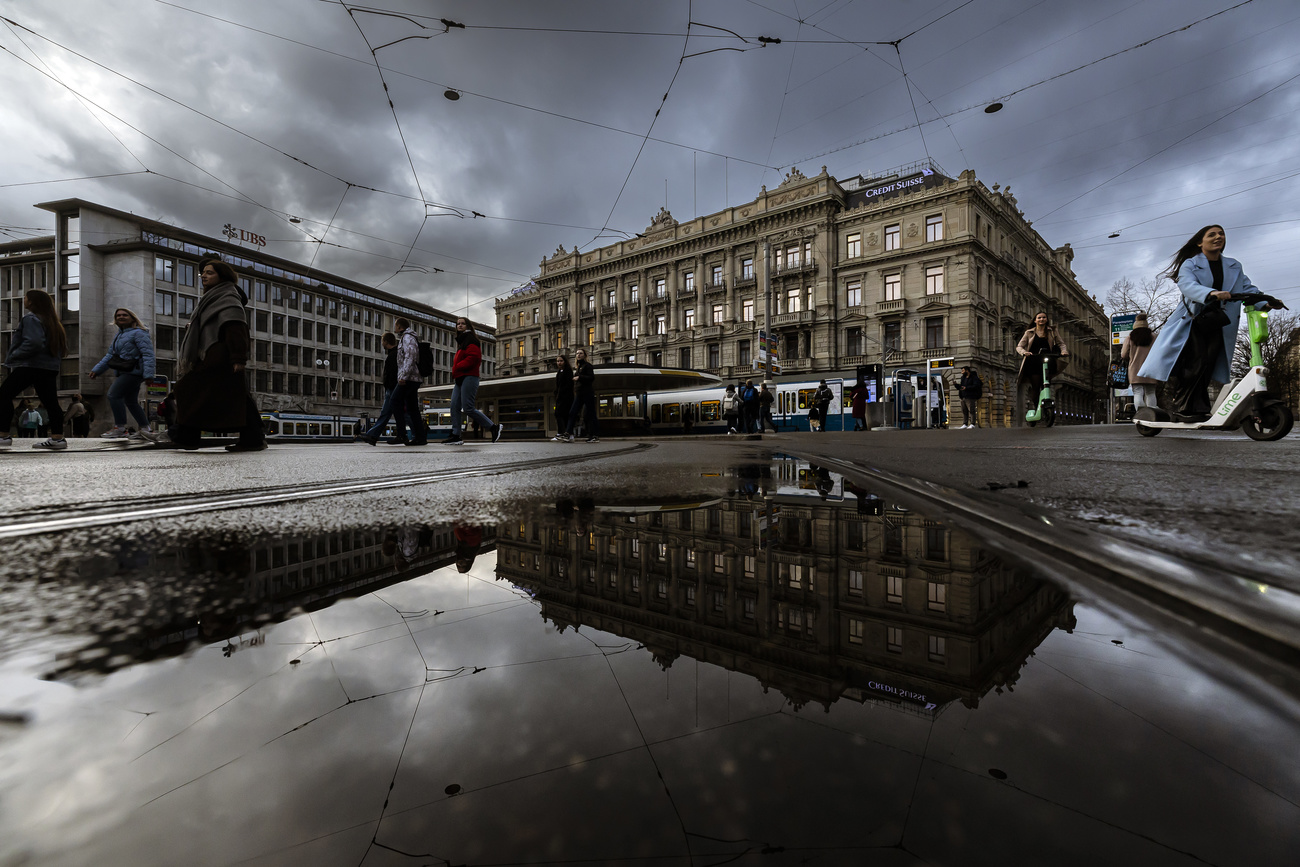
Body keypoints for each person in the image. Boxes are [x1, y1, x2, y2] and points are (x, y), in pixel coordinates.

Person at [1138, 225, 1277, 421]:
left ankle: (1199, 407)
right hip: (1193, 321)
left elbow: (1247, 287)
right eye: (1212, 234)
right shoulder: (1191, 264)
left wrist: (1266, 301)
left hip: (1218, 321)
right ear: (1199, 242)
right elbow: (1187, 285)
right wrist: (1210, 293)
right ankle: (1184, 406)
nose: (1218, 237)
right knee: (1197, 362)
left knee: (1209, 363)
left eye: (1221, 234)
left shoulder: (1233, 265)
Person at [171, 257, 266, 452]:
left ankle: (187, 437)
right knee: (236, 397)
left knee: (188, 389)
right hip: (211, 355)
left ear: (222, 276)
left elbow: (236, 327)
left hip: (220, 356)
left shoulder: (227, 297)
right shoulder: (212, 297)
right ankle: (253, 438)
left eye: (209, 272)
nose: (204, 276)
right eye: (203, 273)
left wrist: (238, 358)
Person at [0, 289, 69, 450]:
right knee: (50, 402)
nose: (24, 300)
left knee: (4, 395)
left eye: (25, 298)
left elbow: (34, 342)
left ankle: (3, 436)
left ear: (31, 302)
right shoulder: (52, 321)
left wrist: (15, 355)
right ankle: (58, 439)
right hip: (49, 367)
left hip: (31, 365)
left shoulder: (31, 318)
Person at [90, 307, 157, 441]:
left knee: (113, 395)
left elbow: (148, 354)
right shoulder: (119, 335)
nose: (121, 317)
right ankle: (145, 429)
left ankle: (120, 428)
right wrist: (97, 369)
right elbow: (110, 355)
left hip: (134, 372)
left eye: (124, 315)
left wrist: (149, 375)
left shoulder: (139, 333)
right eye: (118, 315)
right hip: (124, 371)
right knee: (131, 401)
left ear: (132, 318)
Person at [445, 316, 502, 445]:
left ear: (468, 326)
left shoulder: (471, 340)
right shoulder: (462, 341)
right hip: (460, 378)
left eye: (462, 324)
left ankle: (493, 427)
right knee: (454, 406)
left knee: (468, 408)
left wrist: (458, 366)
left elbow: (474, 358)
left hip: (469, 376)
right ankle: (456, 435)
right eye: (458, 324)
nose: (459, 325)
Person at [1015, 312, 1070, 423]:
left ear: (1046, 319)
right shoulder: (1029, 332)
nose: (1041, 319)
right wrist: (1024, 352)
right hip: (1033, 361)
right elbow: (1019, 346)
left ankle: (1046, 404)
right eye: (1039, 318)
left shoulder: (1052, 331)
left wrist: (1064, 351)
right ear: (1035, 320)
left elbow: (1061, 343)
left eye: (1044, 317)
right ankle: (1036, 407)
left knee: (1046, 384)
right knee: (1036, 386)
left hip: (1048, 360)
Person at [359, 332, 403, 445]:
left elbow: (392, 374)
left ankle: (372, 435)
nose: (381, 343)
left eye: (382, 341)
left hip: (393, 388)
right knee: (388, 413)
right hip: (393, 388)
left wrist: (389, 386)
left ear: (386, 342)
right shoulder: (394, 354)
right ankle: (372, 435)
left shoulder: (393, 355)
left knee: (392, 413)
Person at [391, 317, 429, 446]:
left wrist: (403, 376)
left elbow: (410, 357)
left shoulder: (407, 338)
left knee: (395, 400)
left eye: (395, 326)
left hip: (409, 378)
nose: (394, 328)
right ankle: (420, 437)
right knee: (412, 408)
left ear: (400, 327)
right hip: (411, 378)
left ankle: (402, 435)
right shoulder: (406, 337)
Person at [556, 347, 599, 443]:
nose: (578, 355)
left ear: (584, 355)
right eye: (577, 353)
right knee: (572, 412)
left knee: (590, 414)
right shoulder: (578, 367)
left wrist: (579, 377)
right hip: (579, 394)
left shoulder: (588, 366)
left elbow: (591, 378)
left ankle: (594, 435)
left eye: (580, 353)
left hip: (587, 393)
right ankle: (568, 433)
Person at [1121, 313, 1159, 412]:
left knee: (1138, 393)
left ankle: (1142, 415)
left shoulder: (1130, 337)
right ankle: (1152, 415)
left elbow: (1123, 355)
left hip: (1135, 369)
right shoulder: (1154, 337)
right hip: (1151, 369)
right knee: (1150, 392)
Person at [553, 354, 573, 436]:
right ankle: (562, 432)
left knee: (561, 414)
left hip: (566, 397)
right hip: (560, 397)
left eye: (561, 361)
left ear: (565, 362)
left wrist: (559, 394)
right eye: (558, 361)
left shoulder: (568, 371)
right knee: (558, 414)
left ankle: (562, 432)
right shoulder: (559, 372)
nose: (559, 363)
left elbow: (567, 385)